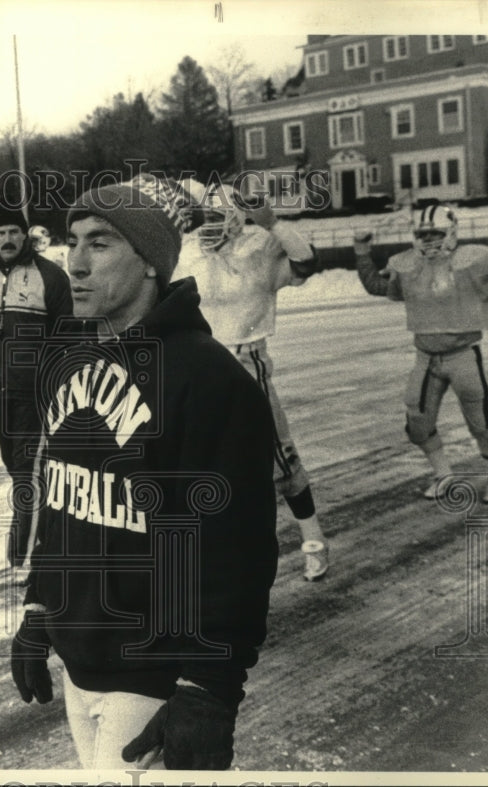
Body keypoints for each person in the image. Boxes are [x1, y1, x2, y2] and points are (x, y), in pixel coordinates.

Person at [10, 175, 279, 771]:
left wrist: (209, 686)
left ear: (152, 263)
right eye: (70, 242)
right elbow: (61, 509)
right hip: (78, 663)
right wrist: (38, 611)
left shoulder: (209, 380)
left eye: (100, 244)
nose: (74, 263)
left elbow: (237, 549)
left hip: (155, 677)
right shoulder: (68, 362)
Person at [176, 182, 330, 581]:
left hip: (247, 361)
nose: (208, 225)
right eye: (204, 217)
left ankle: (312, 537)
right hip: (198, 365)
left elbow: (308, 262)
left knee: (280, 455)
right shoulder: (187, 247)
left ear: (234, 217)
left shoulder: (259, 245)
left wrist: (275, 224)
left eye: (216, 217)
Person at [353, 203, 488, 503]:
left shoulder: (473, 260)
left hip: (463, 354)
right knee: (417, 423)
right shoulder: (408, 265)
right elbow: (376, 285)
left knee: (480, 422)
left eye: (436, 233)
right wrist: (361, 251)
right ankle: (444, 473)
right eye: (424, 234)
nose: (430, 240)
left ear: (452, 232)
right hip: (426, 356)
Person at [0, 203, 72, 567]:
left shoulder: (51, 276)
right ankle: (46, 538)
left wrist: (57, 382)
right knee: (16, 467)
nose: (7, 239)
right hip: (0, 393)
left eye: (14, 231)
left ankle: (26, 556)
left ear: (26, 235)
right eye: (0, 233)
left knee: (29, 472)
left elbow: (68, 333)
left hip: (37, 394)